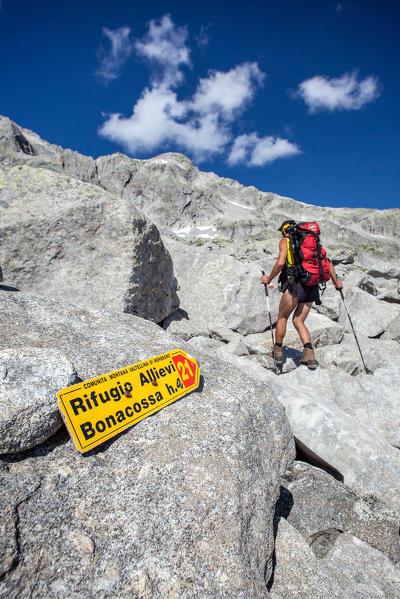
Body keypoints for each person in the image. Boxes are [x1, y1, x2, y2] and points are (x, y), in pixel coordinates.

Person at [261, 220, 343, 369]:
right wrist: (337, 282)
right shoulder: (314, 243)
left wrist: (268, 279)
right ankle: (309, 355)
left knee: (283, 317)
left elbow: (280, 263)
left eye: (282, 232)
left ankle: (277, 352)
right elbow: (327, 262)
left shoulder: (286, 241)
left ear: (285, 231)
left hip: (296, 284)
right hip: (312, 285)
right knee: (299, 321)